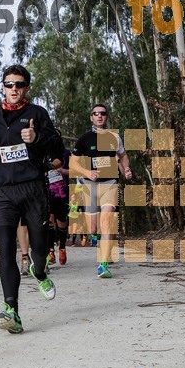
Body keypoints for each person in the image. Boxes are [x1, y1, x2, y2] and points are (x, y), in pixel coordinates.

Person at [0, 64, 63, 333]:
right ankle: (11, 309)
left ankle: (39, 272)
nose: (14, 88)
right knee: (5, 251)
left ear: (27, 88)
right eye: (9, 84)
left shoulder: (37, 113)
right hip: (2, 192)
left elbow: (56, 147)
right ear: (2, 86)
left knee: (38, 247)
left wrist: (36, 138)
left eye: (20, 84)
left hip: (33, 189)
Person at [70, 105, 132, 278]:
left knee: (107, 219)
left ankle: (103, 264)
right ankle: (96, 238)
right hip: (90, 185)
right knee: (93, 227)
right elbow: (73, 164)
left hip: (110, 183)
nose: (99, 116)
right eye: (96, 114)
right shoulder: (85, 139)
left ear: (106, 117)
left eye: (103, 113)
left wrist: (126, 169)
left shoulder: (114, 137)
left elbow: (123, 156)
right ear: (91, 117)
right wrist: (87, 173)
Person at [46, 146, 71, 265]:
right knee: (49, 221)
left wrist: (64, 171)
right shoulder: (40, 153)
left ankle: (62, 247)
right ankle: (51, 251)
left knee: (62, 223)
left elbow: (78, 170)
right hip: (46, 193)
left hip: (62, 193)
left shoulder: (65, 153)